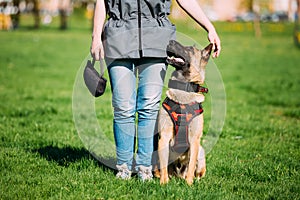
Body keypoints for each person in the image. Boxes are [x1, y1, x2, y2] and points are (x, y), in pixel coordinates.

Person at [90, 0, 221, 181]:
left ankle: (145, 167)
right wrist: (96, 36)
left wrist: (209, 27)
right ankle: (124, 168)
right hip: (118, 36)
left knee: (149, 107)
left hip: (156, 39)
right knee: (123, 107)